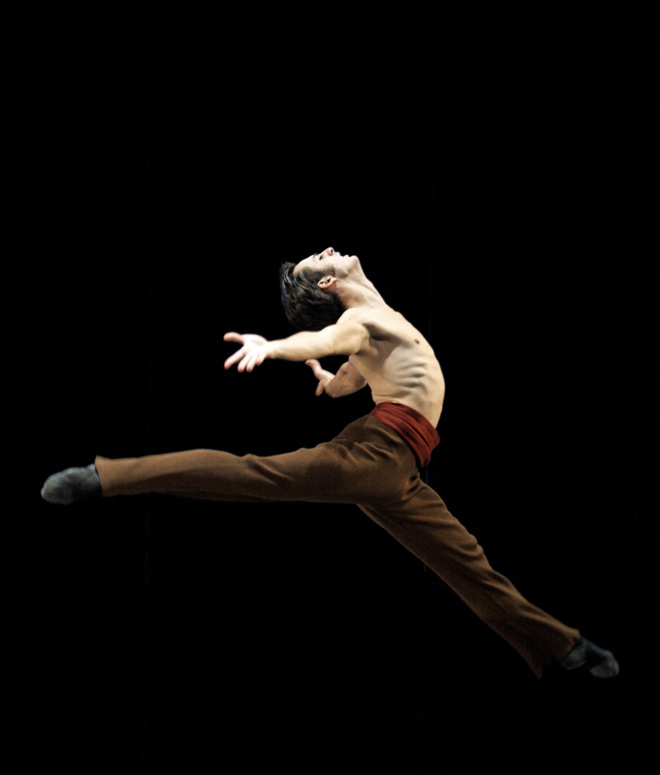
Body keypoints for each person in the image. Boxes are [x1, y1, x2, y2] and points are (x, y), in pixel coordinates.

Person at [41, 247, 618, 679]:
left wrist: (328, 381)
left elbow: (346, 375)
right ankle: (103, 478)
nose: (330, 249)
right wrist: (273, 347)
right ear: (328, 279)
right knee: (251, 474)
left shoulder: (375, 318)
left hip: (397, 468)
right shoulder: (357, 320)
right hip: (374, 454)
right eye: (321, 257)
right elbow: (324, 342)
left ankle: (562, 647)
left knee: (468, 564)